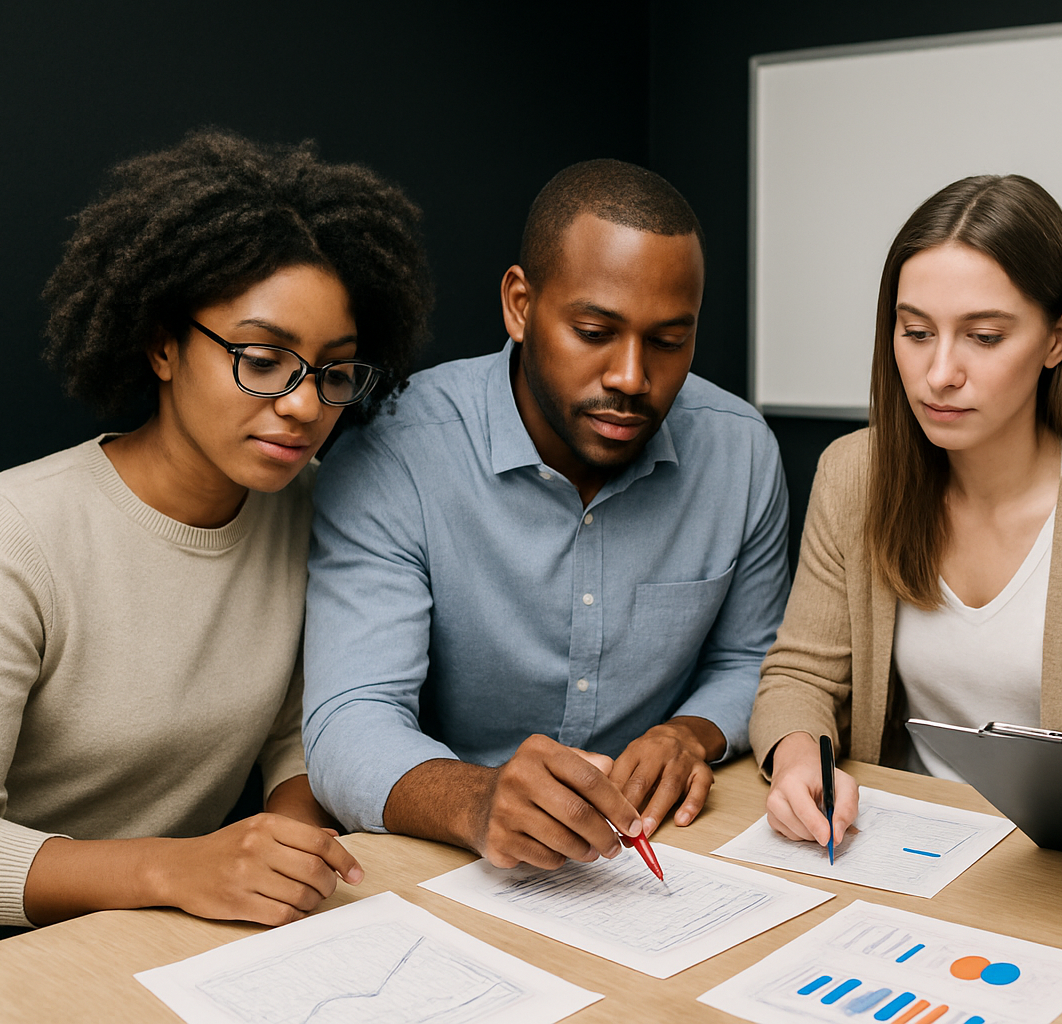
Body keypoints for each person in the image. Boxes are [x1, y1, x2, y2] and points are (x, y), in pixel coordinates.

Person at [0, 130, 434, 932]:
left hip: (189, 933)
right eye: (263, 359)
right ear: (163, 345)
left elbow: (302, 732)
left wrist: (289, 853)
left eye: (333, 372)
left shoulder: (315, 507)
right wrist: (176, 865)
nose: (304, 405)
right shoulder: (14, 534)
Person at [303, 159, 789, 873]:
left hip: (664, 850)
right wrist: (477, 799)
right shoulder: (395, 453)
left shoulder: (739, 450)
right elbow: (350, 720)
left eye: (667, 341)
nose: (631, 377)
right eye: (595, 331)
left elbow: (752, 658)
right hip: (451, 859)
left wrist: (688, 734)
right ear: (520, 304)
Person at [750, 174, 1062, 853]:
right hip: (885, 846)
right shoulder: (854, 474)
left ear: (1056, 339)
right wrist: (796, 757)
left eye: (983, 337)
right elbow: (801, 676)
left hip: (1055, 864)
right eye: (916, 332)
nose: (939, 374)